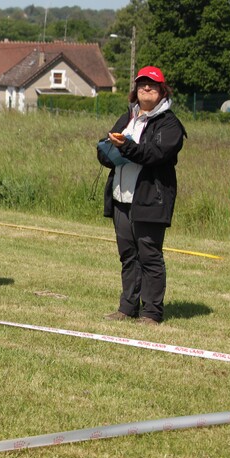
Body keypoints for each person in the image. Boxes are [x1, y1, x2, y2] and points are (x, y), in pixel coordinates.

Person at [97, 66, 186, 325]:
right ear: (135, 90)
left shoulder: (170, 123)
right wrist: (106, 151)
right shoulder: (128, 117)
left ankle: (151, 312)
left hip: (151, 198)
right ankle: (127, 307)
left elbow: (156, 154)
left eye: (152, 85)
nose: (146, 88)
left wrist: (126, 148)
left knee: (149, 255)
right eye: (142, 84)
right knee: (128, 255)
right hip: (120, 197)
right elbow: (107, 147)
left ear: (162, 91)